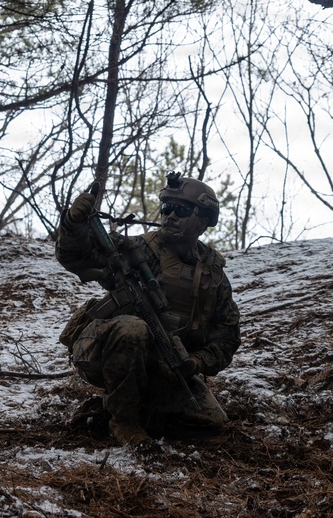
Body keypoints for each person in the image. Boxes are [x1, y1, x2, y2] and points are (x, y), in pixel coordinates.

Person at [56, 173, 241, 446]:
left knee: (210, 422)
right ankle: (123, 421)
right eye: (167, 207)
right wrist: (73, 223)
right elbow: (75, 256)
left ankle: (132, 410)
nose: (170, 215)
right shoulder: (134, 250)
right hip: (108, 352)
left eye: (181, 210)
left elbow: (227, 337)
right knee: (132, 329)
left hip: (166, 367)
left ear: (203, 221)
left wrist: (196, 362)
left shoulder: (212, 274)